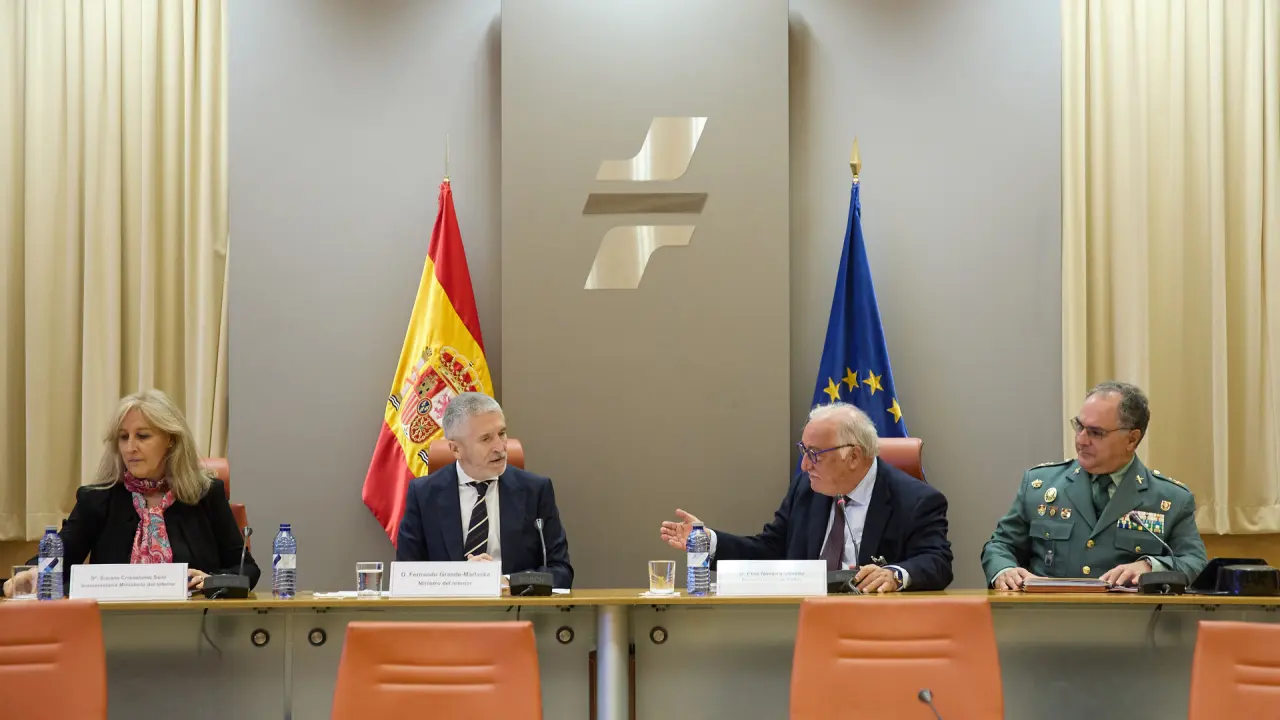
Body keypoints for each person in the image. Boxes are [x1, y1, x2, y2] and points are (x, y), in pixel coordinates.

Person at [659, 403, 954, 592]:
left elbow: (937, 562)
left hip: (876, 628)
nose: (803, 466)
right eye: (804, 451)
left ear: (853, 456)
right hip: (802, 619)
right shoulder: (807, 488)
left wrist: (894, 575)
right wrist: (708, 541)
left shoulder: (916, 500)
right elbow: (771, 550)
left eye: (814, 454)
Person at [3, 389, 259, 598]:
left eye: (142, 436)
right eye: (123, 437)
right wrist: (32, 572)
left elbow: (246, 569)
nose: (130, 448)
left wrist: (213, 580)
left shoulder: (205, 495)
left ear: (171, 439)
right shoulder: (98, 499)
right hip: (113, 626)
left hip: (196, 625)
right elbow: (61, 555)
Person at [982, 381, 1209, 590]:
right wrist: (1004, 570)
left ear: (1131, 439)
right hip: (1049, 613)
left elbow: (1194, 562)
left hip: (1130, 617)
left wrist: (1150, 566)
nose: (1081, 440)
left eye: (1095, 433)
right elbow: (1000, 545)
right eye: (1079, 426)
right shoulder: (1039, 486)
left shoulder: (1169, 499)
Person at [396, 392, 574, 588]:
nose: (500, 447)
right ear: (455, 449)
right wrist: (463, 577)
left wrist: (508, 582)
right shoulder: (423, 495)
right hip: (450, 606)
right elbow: (406, 576)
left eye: (502, 433)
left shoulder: (536, 491)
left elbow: (561, 571)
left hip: (514, 604)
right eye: (486, 439)